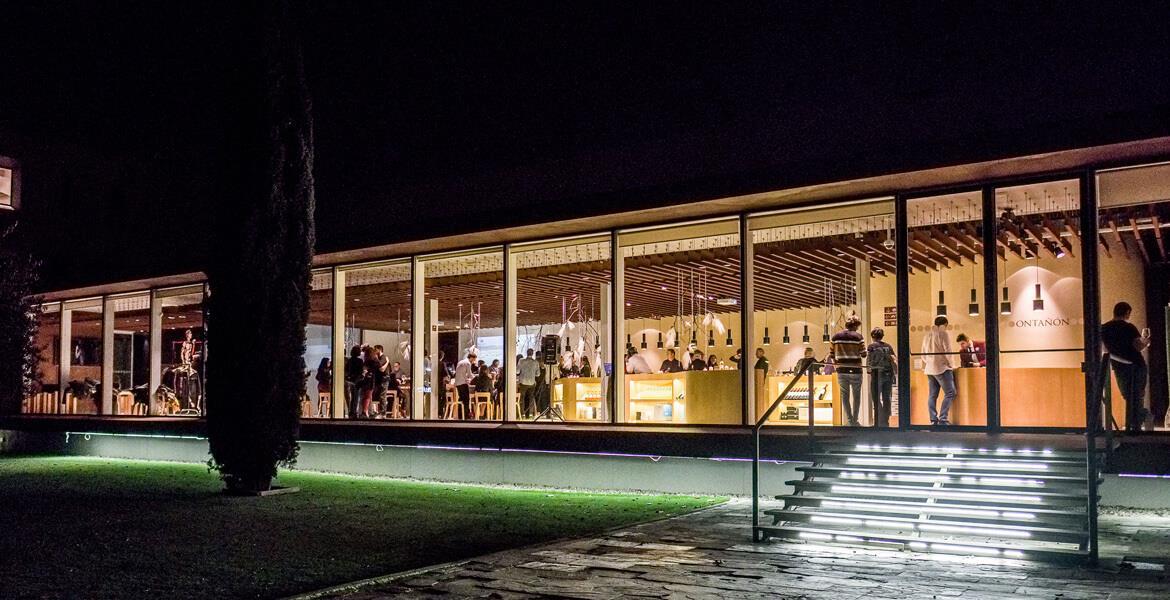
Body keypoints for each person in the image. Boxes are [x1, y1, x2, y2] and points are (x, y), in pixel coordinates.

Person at [1101, 301, 1151, 432]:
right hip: (1136, 365)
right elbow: (1137, 347)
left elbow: (1105, 349)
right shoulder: (1129, 327)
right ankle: (1139, 421)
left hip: (1118, 366)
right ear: (1127, 313)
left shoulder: (1104, 328)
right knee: (1137, 396)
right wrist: (1146, 342)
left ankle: (1133, 426)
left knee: (1128, 396)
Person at [830, 315, 866, 427]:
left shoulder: (835, 337)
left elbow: (831, 354)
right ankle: (855, 420)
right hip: (856, 370)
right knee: (856, 396)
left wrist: (836, 365)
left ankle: (850, 420)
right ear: (856, 325)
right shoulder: (858, 337)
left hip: (841, 369)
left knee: (844, 396)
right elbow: (863, 354)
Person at [921, 315, 955, 426]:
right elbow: (948, 351)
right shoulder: (943, 334)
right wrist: (952, 365)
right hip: (942, 368)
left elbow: (923, 355)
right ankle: (943, 418)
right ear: (944, 324)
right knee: (950, 393)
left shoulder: (927, 335)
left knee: (932, 395)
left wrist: (929, 362)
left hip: (929, 369)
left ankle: (933, 419)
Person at [866, 327, 896, 428]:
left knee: (876, 397)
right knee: (887, 398)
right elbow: (894, 359)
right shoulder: (888, 346)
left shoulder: (871, 346)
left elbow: (869, 361)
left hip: (876, 374)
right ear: (882, 336)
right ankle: (885, 420)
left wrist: (868, 370)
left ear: (872, 336)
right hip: (888, 374)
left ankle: (878, 420)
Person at [517, 348, 541, 418]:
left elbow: (517, 371)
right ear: (532, 354)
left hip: (523, 382)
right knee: (531, 398)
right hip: (532, 383)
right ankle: (530, 414)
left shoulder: (521, 361)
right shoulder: (535, 362)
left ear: (527, 353)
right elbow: (538, 374)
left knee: (522, 398)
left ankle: (522, 414)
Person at [452, 350, 476, 418]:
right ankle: (466, 415)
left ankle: (460, 415)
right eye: (474, 359)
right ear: (471, 357)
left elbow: (461, 373)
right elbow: (469, 374)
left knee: (461, 399)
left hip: (458, 383)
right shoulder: (468, 363)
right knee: (466, 400)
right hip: (463, 383)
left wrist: (466, 378)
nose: (473, 361)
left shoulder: (460, 362)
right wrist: (476, 377)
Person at [344, 345, 364, 419]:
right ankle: (354, 412)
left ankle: (351, 412)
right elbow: (360, 372)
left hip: (350, 380)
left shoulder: (349, 360)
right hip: (357, 381)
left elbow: (346, 370)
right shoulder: (360, 361)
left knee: (351, 397)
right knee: (355, 397)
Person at [360, 346, 379, 418]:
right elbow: (379, 367)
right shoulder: (374, 361)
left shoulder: (365, 361)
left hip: (365, 380)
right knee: (368, 396)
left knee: (366, 396)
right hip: (371, 380)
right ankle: (364, 412)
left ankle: (368, 411)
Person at [373, 345, 390, 415]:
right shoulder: (379, 358)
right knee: (379, 396)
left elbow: (381, 369)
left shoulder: (383, 358)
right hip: (380, 379)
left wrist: (387, 362)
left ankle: (383, 412)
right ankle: (380, 411)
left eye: (375, 349)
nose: (374, 351)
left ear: (379, 350)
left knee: (382, 396)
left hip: (384, 379)